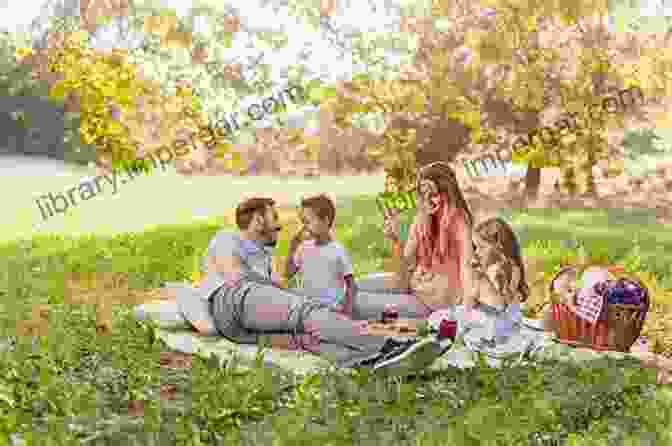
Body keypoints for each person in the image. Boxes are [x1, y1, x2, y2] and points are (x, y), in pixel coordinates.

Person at [135, 196, 446, 376]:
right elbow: (235, 278)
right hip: (232, 301)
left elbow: (275, 287)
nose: (281, 225)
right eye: (274, 217)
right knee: (306, 311)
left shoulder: (264, 255)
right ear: (257, 219)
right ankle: (388, 346)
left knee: (308, 338)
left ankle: (373, 362)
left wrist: (287, 282)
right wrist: (289, 293)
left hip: (243, 326)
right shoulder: (227, 238)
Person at [355, 161, 476, 316]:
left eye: (433, 194)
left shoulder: (458, 220)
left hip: (429, 304)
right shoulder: (422, 218)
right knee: (350, 286)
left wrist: (466, 313)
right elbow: (402, 273)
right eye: (422, 193)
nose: (427, 200)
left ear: (447, 192)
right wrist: (395, 240)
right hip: (413, 285)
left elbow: (467, 268)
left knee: (355, 301)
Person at [286, 194, 357, 315]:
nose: (304, 227)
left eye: (308, 222)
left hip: (331, 310)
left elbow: (352, 286)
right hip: (307, 310)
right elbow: (288, 273)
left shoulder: (337, 250)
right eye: (303, 222)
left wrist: (347, 311)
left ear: (325, 220)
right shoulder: (303, 248)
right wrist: (293, 246)